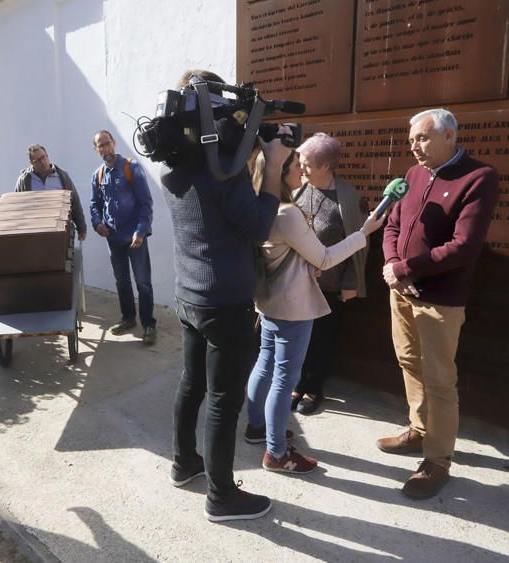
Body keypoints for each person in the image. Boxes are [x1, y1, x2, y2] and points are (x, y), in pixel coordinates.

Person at [161, 69, 281, 522]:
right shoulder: (223, 176)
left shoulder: (177, 167)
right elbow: (257, 226)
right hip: (225, 303)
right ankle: (221, 496)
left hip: (190, 296)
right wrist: (270, 169)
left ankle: (184, 462)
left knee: (192, 382)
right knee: (223, 401)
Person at [378, 108, 498, 499]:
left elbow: (464, 247)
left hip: (440, 300)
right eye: (412, 139)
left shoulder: (478, 177)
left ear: (449, 136)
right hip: (402, 289)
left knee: (440, 380)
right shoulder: (413, 175)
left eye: (423, 138)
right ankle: (419, 430)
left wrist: (408, 269)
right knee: (409, 363)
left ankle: (437, 459)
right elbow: (393, 224)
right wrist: (395, 266)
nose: (414, 146)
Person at [245, 144, 385, 474]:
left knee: (264, 365)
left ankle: (256, 428)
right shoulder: (287, 211)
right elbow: (323, 257)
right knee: (283, 378)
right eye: (295, 165)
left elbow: (282, 254)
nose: (300, 171)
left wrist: (306, 265)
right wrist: (363, 233)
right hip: (293, 307)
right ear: (280, 173)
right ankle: (277, 454)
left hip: (269, 301)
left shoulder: (259, 207)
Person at [290, 133, 369, 415]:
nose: (301, 169)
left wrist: (350, 282)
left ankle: (314, 387)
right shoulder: (299, 189)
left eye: (307, 164)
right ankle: (297, 384)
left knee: (322, 338)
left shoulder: (346, 198)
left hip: (330, 285)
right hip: (297, 282)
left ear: (326, 166)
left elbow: (359, 243)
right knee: (299, 336)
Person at [90, 129, 157, 345]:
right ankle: (128, 319)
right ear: (96, 149)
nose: (104, 148)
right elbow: (95, 205)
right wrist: (97, 223)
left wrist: (140, 231)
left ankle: (148, 324)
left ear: (114, 143)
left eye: (107, 143)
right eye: (100, 145)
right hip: (113, 238)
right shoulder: (98, 175)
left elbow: (146, 203)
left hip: (135, 238)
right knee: (122, 281)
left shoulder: (131, 168)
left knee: (143, 282)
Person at [15, 144, 88, 240]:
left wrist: (82, 228)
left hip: (60, 230)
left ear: (47, 155)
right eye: (38, 160)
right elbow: (17, 206)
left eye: (43, 157)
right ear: (31, 163)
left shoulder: (62, 176)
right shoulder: (25, 180)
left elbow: (74, 202)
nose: (42, 162)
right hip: (34, 232)